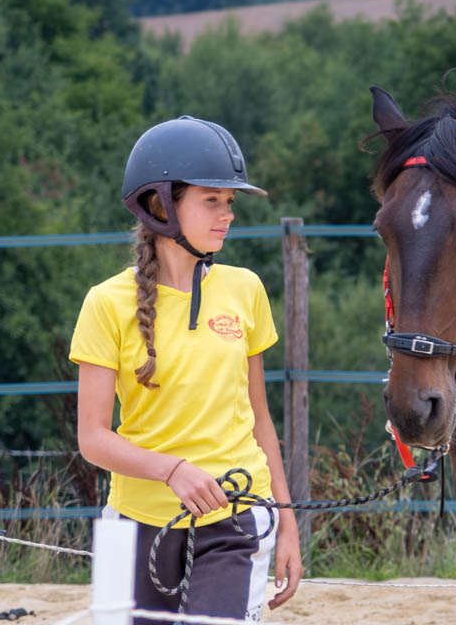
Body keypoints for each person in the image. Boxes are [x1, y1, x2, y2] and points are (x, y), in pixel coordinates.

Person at [70, 116, 301, 620]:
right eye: (211, 200)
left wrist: (287, 522)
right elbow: (92, 437)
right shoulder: (106, 304)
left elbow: (260, 419)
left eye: (230, 203)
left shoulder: (246, 290)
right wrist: (171, 470)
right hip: (133, 521)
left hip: (235, 517)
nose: (227, 215)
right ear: (161, 204)